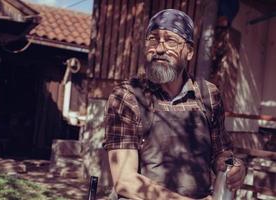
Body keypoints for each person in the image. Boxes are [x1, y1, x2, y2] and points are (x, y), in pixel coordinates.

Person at [103, 9, 246, 200]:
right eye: (153, 39)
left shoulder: (208, 95)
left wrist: (234, 165)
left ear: (189, 52)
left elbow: (221, 152)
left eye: (170, 40)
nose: (159, 49)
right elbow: (125, 180)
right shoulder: (128, 97)